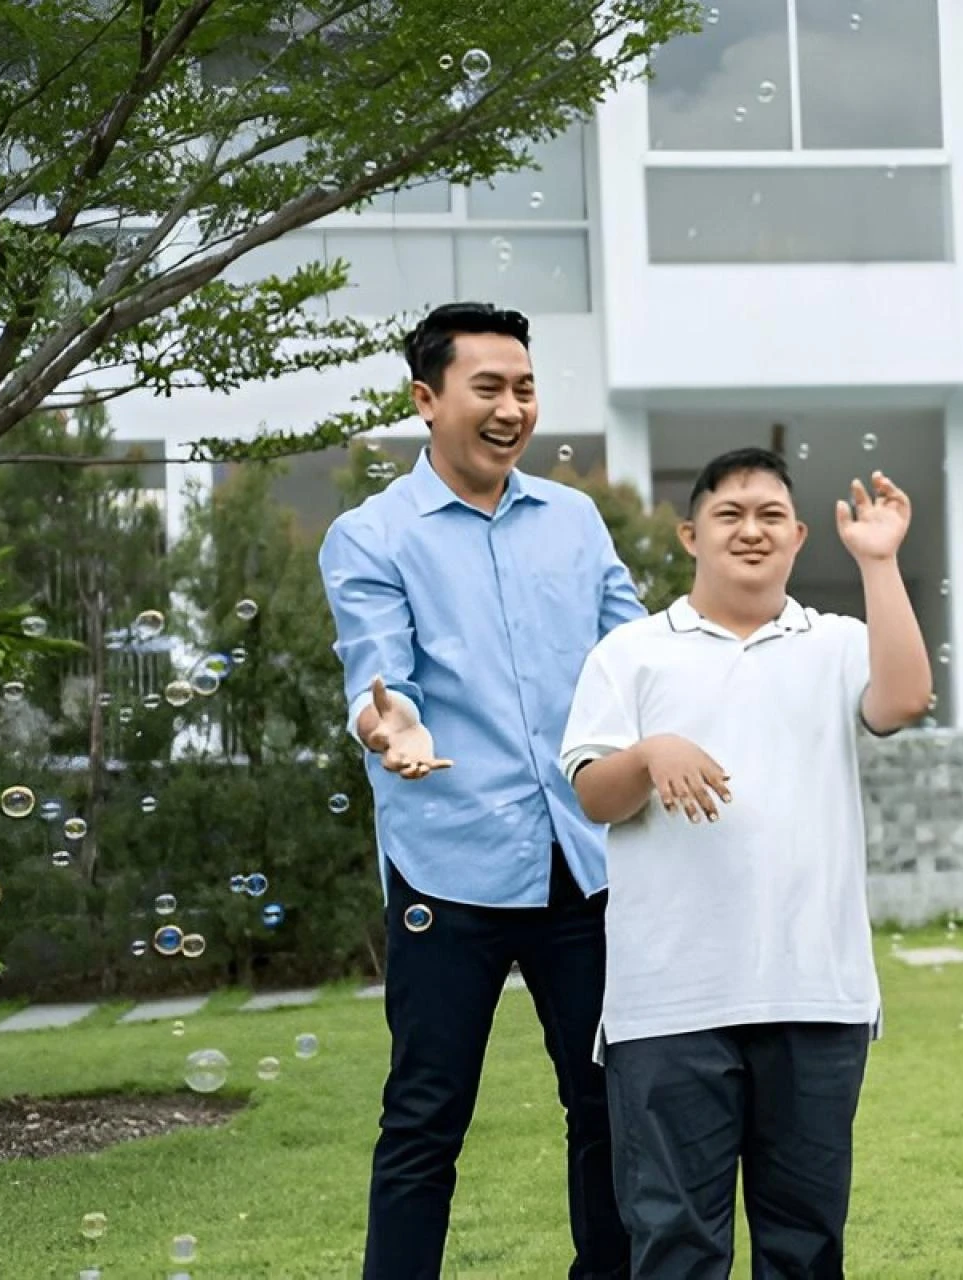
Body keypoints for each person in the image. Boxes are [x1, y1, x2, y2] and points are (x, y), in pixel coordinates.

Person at [319, 301, 642, 1279]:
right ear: (427, 399)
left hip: (583, 863)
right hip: (447, 865)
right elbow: (379, 681)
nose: (512, 409)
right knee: (425, 1116)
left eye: (526, 388)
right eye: (488, 387)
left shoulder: (575, 522)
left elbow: (634, 658)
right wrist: (393, 727)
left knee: (609, 1105)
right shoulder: (370, 536)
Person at [559, 447, 932, 1278]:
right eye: (729, 514)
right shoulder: (631, 653)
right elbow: (593, 797)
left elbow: (905, 699)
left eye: (771, 516)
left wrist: (879, 562)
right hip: (668, 1005)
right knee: (675, 1246)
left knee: (806, 1245)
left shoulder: (837, 643)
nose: (751, 530)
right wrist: (649, 753)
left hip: (816, 992)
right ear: (691, 535)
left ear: (799, 537)